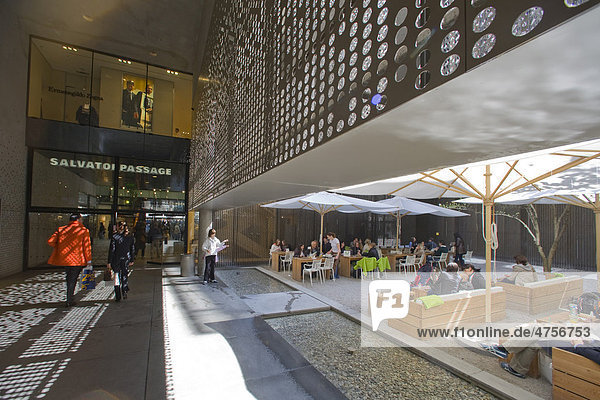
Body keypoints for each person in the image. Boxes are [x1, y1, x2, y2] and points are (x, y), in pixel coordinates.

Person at [47, 213, 92, 307]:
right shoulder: (83, 230)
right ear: (78, 220)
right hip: (78, 260)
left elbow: (50, 241)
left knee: (69, 278)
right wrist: (89, 260)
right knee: (73, 279)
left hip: (66, 260)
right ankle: (69, 299)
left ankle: (69, 298)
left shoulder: (61, 229)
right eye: (81, 219)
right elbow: (86, 247)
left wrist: (61, 247)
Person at [108, 221, 135, 302]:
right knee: (124, 274)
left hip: (116, 259)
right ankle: (124, 290)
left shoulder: (115, 237)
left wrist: (109, 261)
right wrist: (132, 259)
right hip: (126, 259)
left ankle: (118, 295)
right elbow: (132, 249)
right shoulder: (130, 237)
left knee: (116, 277)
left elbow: (112, 250)